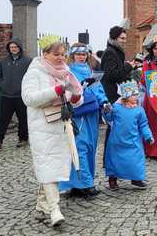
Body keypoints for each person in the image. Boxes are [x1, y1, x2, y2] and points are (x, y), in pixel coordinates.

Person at [21, 36, 83, 227]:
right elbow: (29, 99)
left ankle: (41, 206)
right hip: (42, 127)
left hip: (61, 125)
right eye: (56, 54)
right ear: (45, 54)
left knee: (50, 168)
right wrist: (55, 90)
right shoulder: (34, 73)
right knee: (48, 167)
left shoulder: (66, 72)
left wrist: (76, 96)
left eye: (63, 54)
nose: (61, 58)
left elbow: (73, 98)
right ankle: (54, 210)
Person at [58, 43, 110, 198]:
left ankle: (77, 184)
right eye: (78, 54)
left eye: (84, 54)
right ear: (72, 55)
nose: (81, 57)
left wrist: (104, 101)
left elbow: (98, 89)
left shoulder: (90, 71)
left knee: (90, 146)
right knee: (79, 147)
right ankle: (85, 184)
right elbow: (64, 91)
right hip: (77, 114)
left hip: (91, 114)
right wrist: (79, 88)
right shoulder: (67, 71)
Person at [104, 80, 154, 190]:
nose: (136, 97)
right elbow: (109, 118)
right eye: (134, 94)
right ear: (126, 96)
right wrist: (107, 111)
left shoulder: (139, 110)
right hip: (117, 141)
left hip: (133, 140)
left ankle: (136, 179)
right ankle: (112, 180)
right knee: (114, 160)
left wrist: (148, 136)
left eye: (136, 94)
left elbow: (144, 125)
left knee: (135, 159)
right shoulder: (116, 107)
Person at [0, 38, 32, 149]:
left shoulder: (28, 61)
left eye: (15, 47)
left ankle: (23, 139)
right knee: (3, 118)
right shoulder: (4, 61)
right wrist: (2, 86)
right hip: (6, 95)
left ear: (19, 47)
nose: (13, 49)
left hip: (21, 96)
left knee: (23, 118)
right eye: (11, 47)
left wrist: (26, 89)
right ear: (9, 48)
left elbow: (32, 77)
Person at [101, 26, 134, 163]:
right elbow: (112, 74)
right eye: (122, 38)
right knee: (113, 127)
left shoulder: (116, 51)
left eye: (125, 38)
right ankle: (108, 159)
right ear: (114, 37)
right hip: (111, 94)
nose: (124, 41)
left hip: (116, 93)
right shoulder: (110, 52)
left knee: (115, 127)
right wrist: (128, 67)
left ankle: (112, 159)